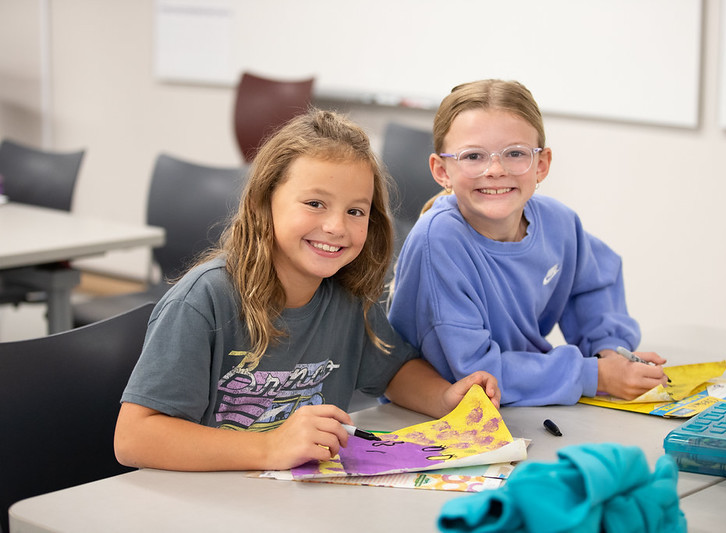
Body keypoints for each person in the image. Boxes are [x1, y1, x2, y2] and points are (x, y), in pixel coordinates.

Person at [114, 108, 499, 472]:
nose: (335, 226)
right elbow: (134, 437)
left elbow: (394, 371)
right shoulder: (203, 300)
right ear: (264, 202)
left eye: (355, 211)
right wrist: (270, 447)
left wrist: (446, 398)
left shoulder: (347, 300)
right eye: (315, 203)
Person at [387, 79, 668, 406]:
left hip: (521, 404)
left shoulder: (559, 222)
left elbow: (593, 285)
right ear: (441, 170)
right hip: (433, 419)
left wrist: (609, 351)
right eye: (473, 156)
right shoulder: (438, 240)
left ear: (542, 164)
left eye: (515, 153)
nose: (494, 170)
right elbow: (471, 373)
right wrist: (597, 376)